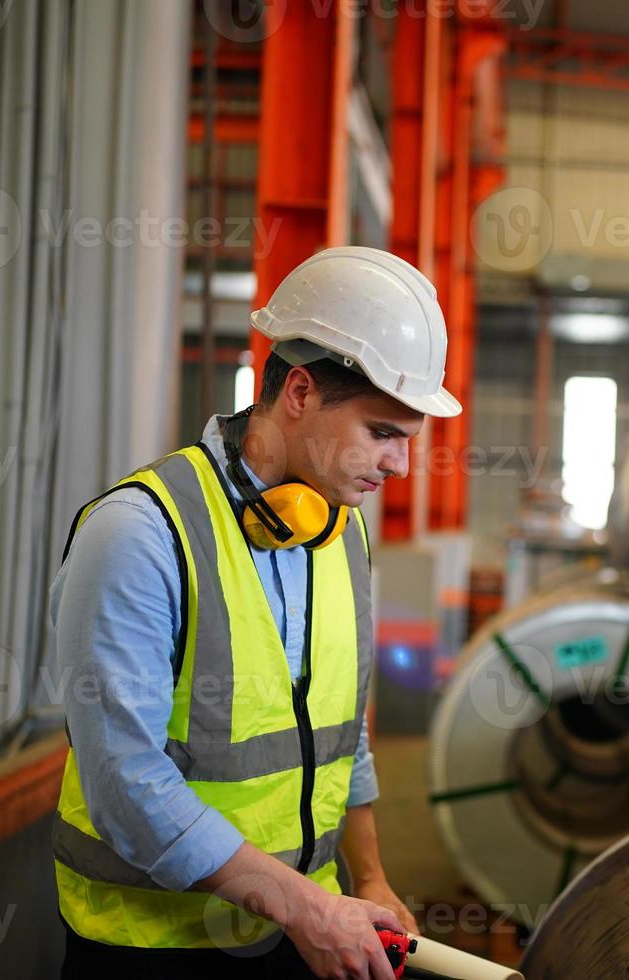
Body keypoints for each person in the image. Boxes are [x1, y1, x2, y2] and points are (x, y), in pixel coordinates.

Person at [50, 247, 460, 979]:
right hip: (157, 949)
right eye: (383, 433)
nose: (400, 465)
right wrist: (309, 908)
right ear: (299, 391)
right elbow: (124, 783)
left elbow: (344, 740)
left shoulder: (339, 528)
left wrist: (366, 879)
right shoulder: (142, 533)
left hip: (294, 936)